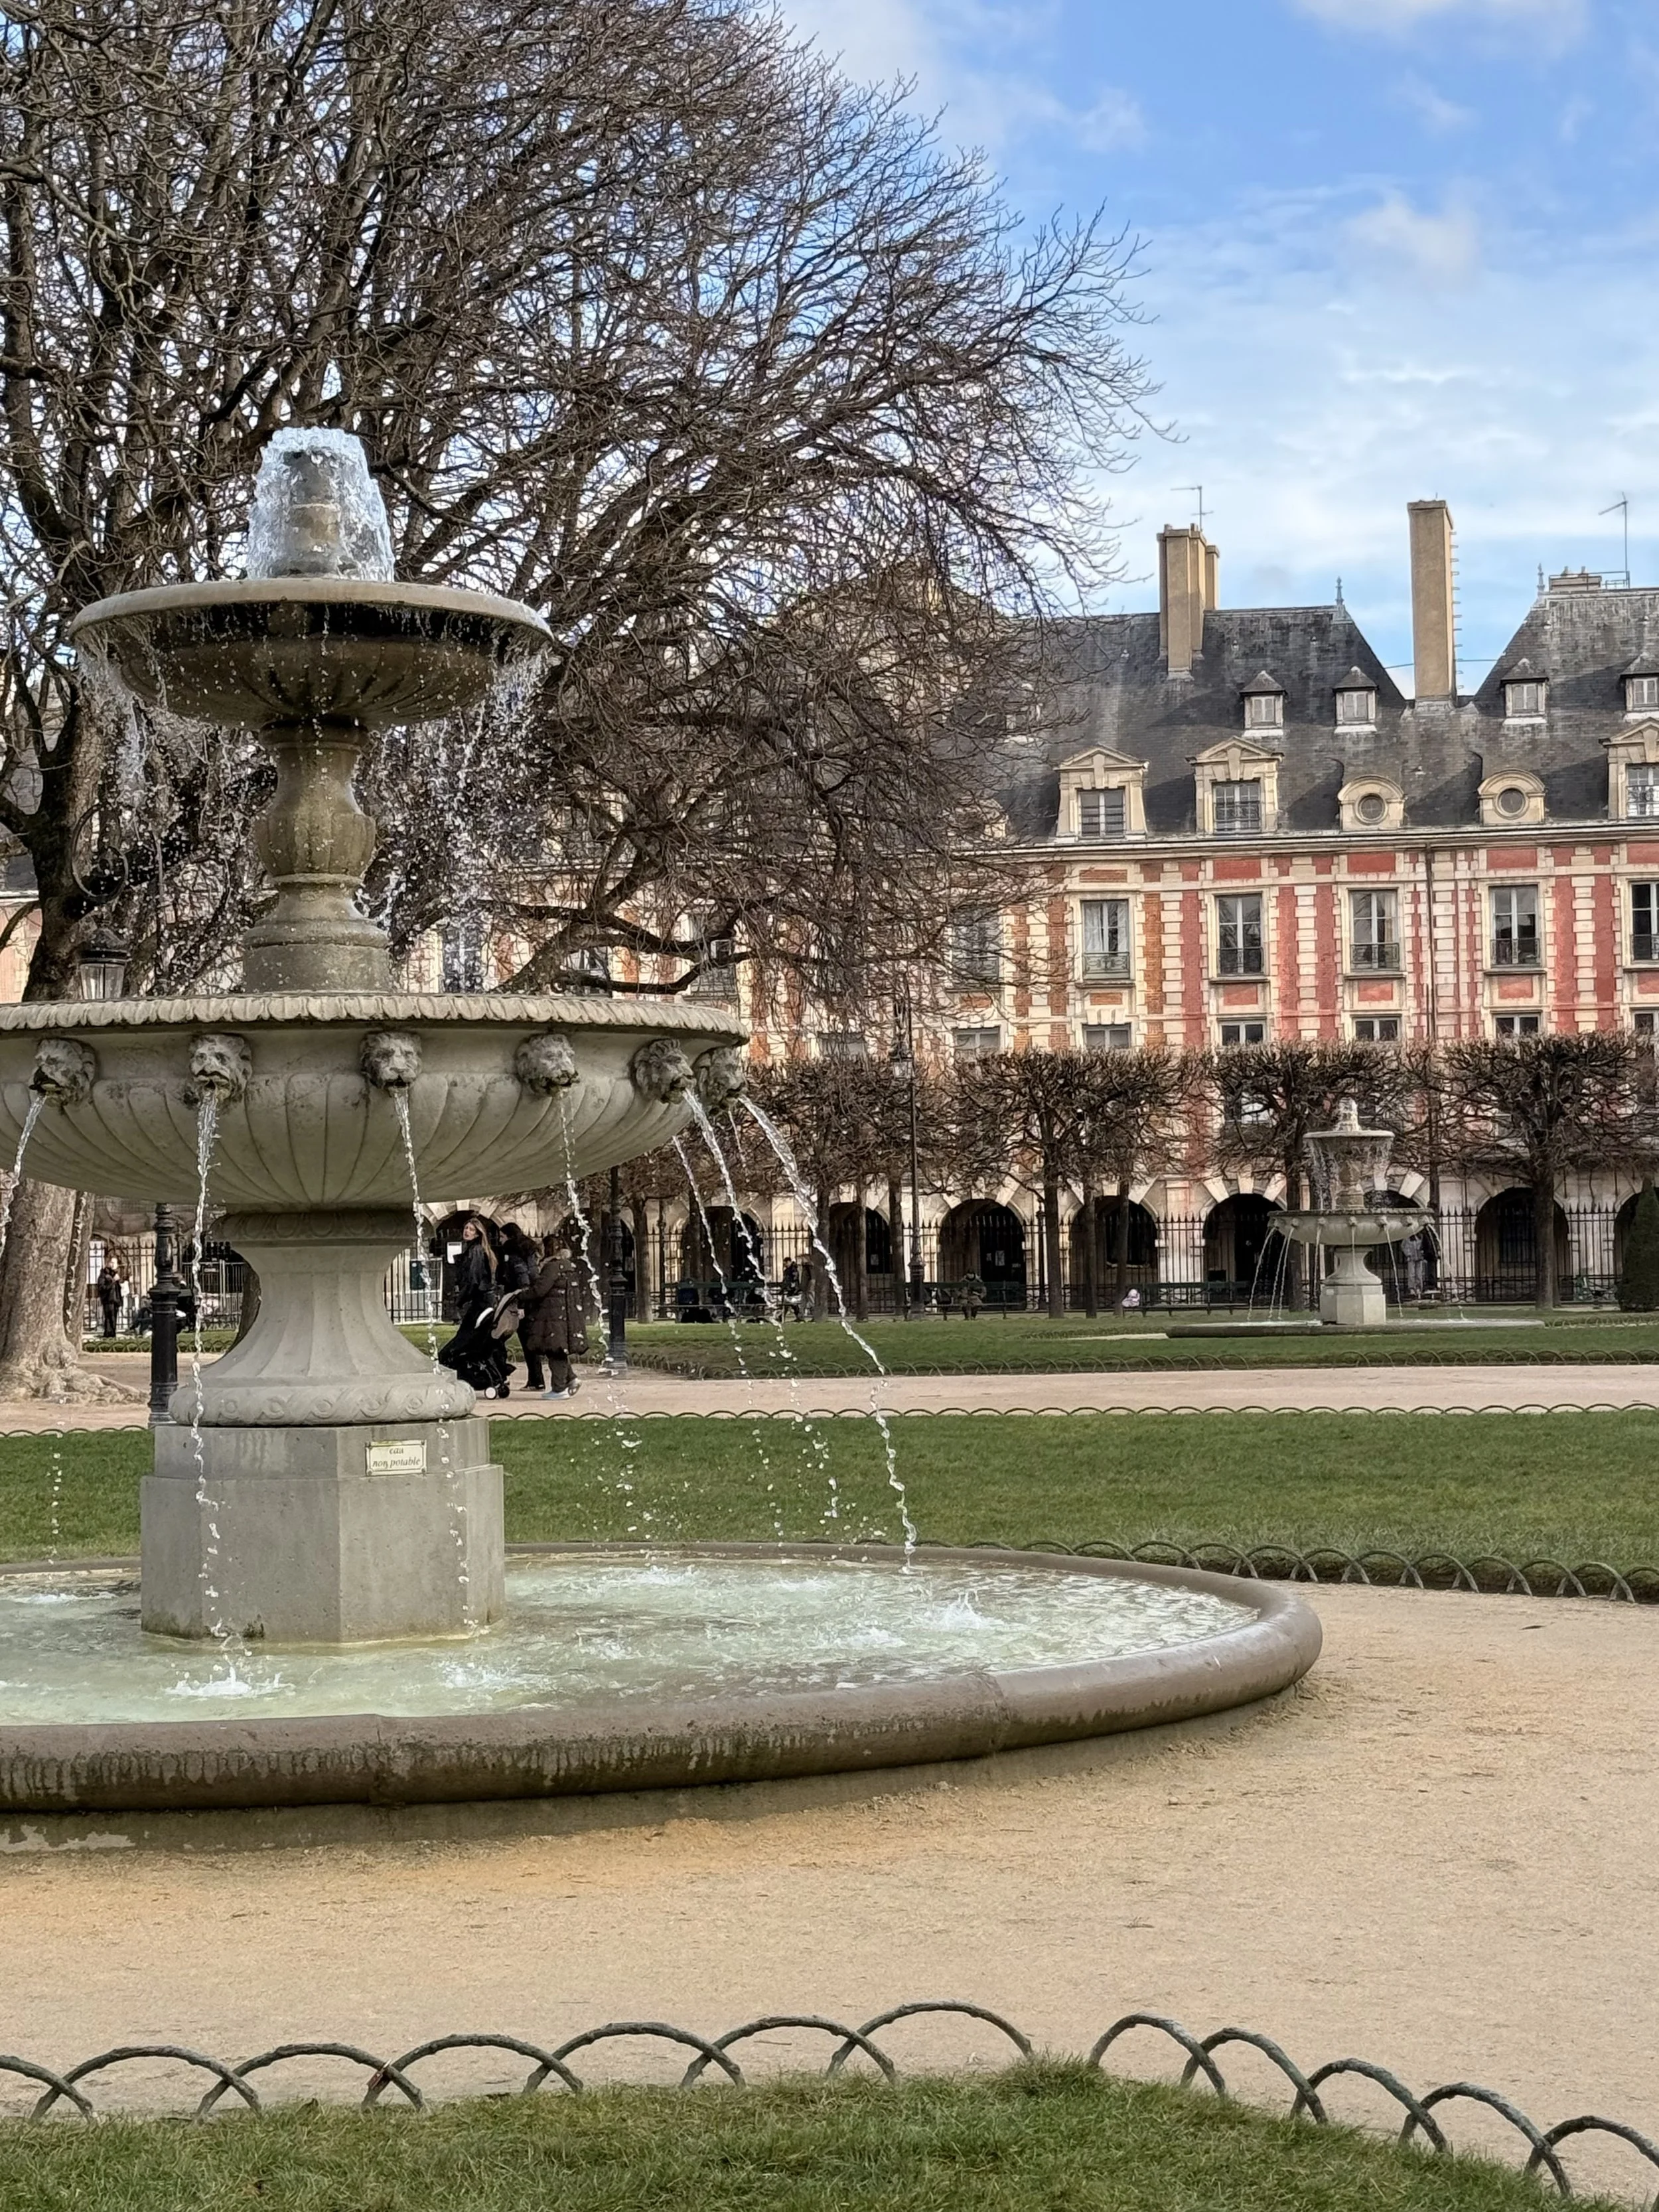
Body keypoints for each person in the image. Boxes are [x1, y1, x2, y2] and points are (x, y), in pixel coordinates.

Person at [521, 1227, 588, 1400]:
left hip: (553, 1315)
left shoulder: (552, 1267)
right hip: (565, 1315)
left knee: (555, 1349)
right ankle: (571, 1379)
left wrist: (520, 1295)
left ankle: (559, 1389)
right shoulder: (568, 1266)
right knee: (559, 1348)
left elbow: (540, 1290)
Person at [96, 1258, 123, 1339]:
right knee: (109, 1319)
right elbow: (102, 1288)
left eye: (115, 1263)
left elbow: (118, 1289)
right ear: (108, 1263)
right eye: (112, 1262)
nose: (113, 1264)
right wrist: (113, 1281)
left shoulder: (116, 1274)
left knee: (114, 1319)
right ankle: (108, 1335)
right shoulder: (104, 1274)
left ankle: (112, 1335)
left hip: (115, 1300)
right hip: (108, 1300)